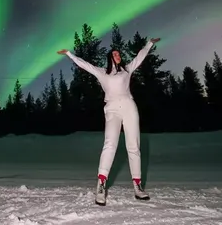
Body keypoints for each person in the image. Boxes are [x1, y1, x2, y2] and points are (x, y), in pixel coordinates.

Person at [57, 37, 160, 206]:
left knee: (133, 146)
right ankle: (101, 185)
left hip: (129, 107)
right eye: (115, 53)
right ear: (109, 57)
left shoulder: (127, 69)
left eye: (119, 53)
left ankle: (137, 186)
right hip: (112, 109)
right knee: (110, 144)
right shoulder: (102, 72)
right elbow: (85, 65)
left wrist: (149, 43)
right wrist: (69, 54)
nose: (118, 55)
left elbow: (139, 57)